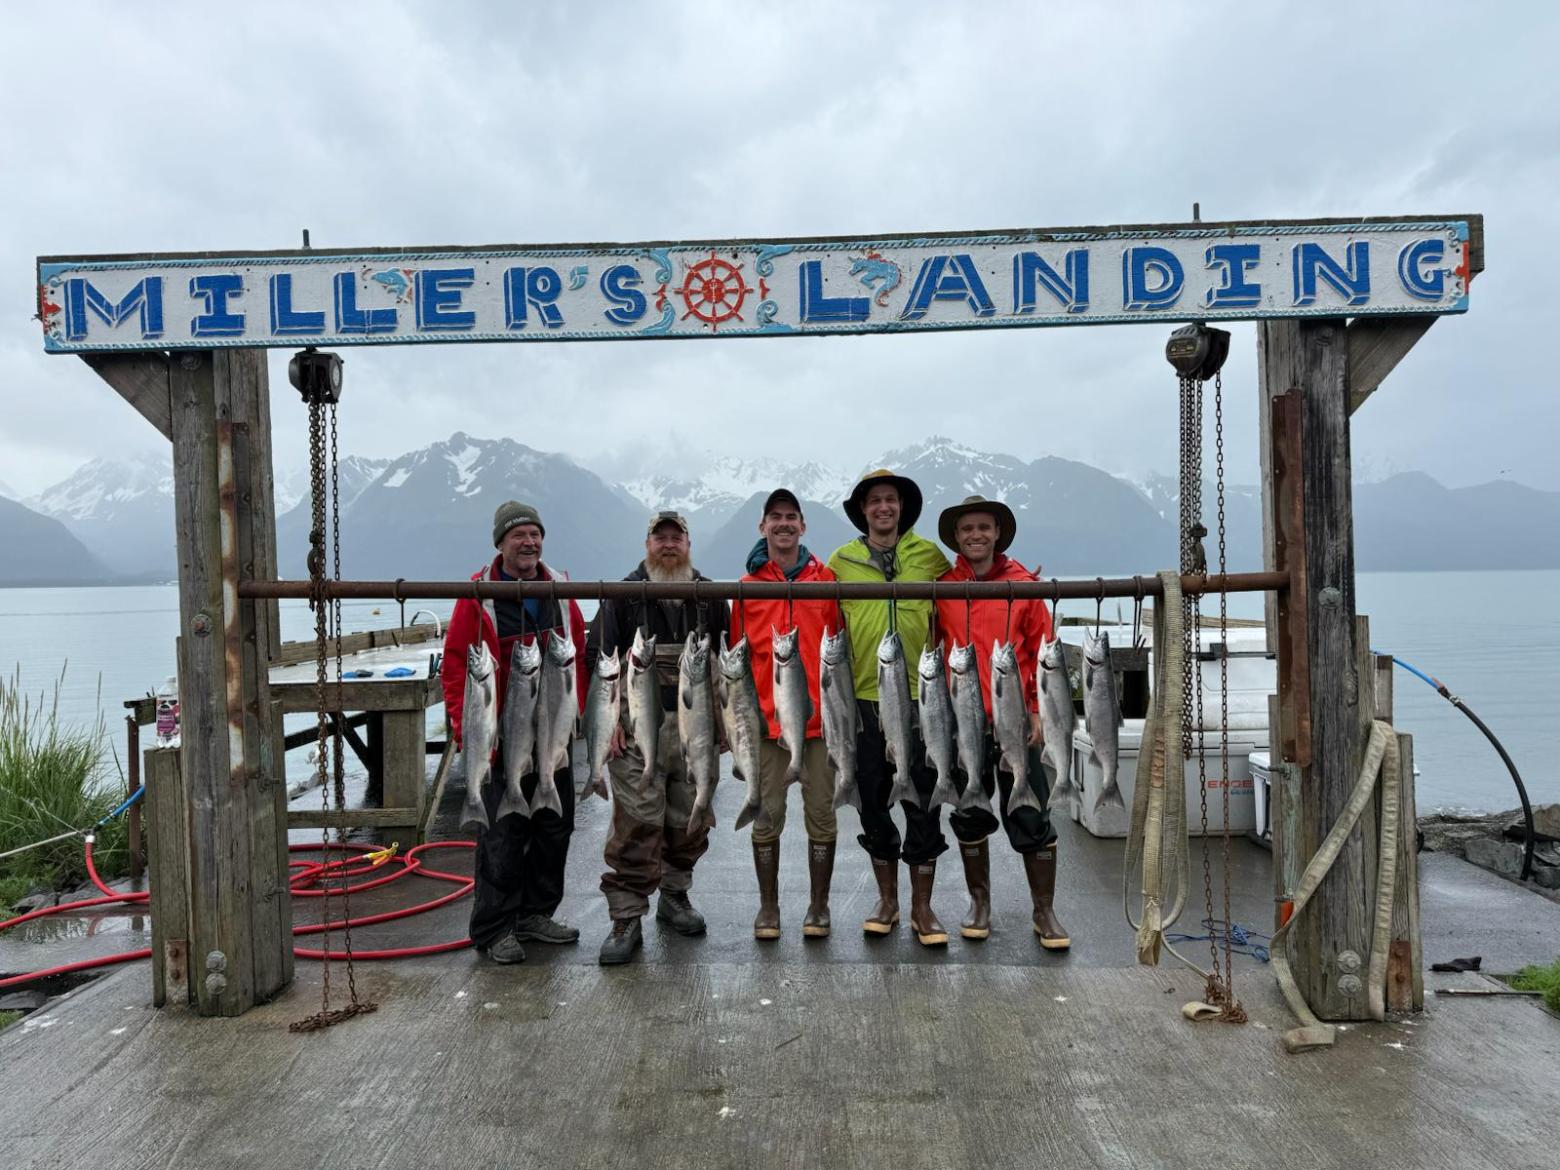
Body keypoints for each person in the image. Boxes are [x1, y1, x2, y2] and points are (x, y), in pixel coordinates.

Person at [441, 501, 587, 964]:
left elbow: (578, 653)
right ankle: (494, 927)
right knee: (502, 834)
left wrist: (577, 715)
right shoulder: (477, 595)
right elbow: (455, 664)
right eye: (519, 535)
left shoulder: (560, 591)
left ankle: (534, 914)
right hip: (502, 736)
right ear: (500, 542)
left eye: (535, 534)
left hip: (552, 737)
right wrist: (467, 732)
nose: (529, 542)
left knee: (554, 828)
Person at [589, 510, 730, 965]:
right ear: (646, 543)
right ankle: (626, 915)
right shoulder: (622, 596)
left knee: (689, 818)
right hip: (636, 730)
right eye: (660, 537)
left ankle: (675, 896)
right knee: (636, 821)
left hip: (697, 727)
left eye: (677, 537)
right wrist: (606, 725)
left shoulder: (710, 597)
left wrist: (727, 722)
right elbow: (600, 664)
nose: (668, 544)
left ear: (689, 543)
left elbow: (729, 667)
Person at [933, 495, 1068, 949]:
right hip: (963, 722)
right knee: (970, 814)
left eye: (983, 528)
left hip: (1016, 722)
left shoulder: (1025, 586)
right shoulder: (942, 588)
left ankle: (1044, 910)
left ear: (997, 534)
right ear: (957, 536)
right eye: (967, 528)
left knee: (1031, 815)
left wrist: (1037, 712)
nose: (976, 535)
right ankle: (980, 904)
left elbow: (1044, 653)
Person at [827, 469, 953, 946]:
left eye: (891, 500)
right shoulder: (841, 562)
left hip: (923, 699)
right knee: (871, 803)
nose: (883, 507)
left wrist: (1020, 581)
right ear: (863, 509)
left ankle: (923, 907)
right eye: (875, 500)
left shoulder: (929, 558)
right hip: (860, 700)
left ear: (902, 508)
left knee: (924, 803)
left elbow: (969, 589)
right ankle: (888, 900)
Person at [728, 489, 843, 940]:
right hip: (766, 726)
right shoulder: (746, 589)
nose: (783, 524)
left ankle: (819, 906)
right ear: (762, 527)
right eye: (774, 517)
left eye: (791, 517)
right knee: (766, 813)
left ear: (803, 526)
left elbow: (840, 648)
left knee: (822, 814)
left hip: (819, 726)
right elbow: (736, 663)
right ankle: (768, 907)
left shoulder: (827, 582)